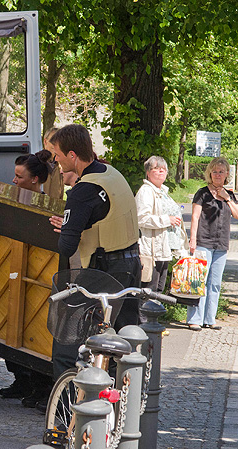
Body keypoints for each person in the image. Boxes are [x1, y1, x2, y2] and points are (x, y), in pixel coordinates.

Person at [47, 124, 141, 379]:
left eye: (57, 153)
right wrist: (76, 222)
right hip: (132, 264)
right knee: (127, 337)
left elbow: (66, 246)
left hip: (105, 271)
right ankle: (127, 402)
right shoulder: (111, 173)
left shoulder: (82, 191)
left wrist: (69, 225)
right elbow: (106, 214)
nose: (55, 159)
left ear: (72, 155)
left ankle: (68, 407)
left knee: (68, 340)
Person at [0, 150, 55, 408]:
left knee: (33, 332)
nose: (14, 180)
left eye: (19, 177)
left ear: (35, 180)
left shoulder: (47, 207)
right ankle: (21, 379)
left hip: (37, 278)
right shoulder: (17, 200)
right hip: (14, 272)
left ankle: (41, 387)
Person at [187, 157, 238, 331]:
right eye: (215, 171)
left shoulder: (229, 194)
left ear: (227, 174)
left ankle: (210, 318)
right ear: (210, 173)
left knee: (215, 283)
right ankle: (195, 319)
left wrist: (227, 198)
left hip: (221, 244)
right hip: (203, 241)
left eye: (221, 171)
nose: (218, 174)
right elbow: (195, 217)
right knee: (199, 281)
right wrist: (192, 240)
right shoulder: (202, 193)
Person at [135, 156, 186, 294]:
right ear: (148, 172)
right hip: (151, 252)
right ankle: (143, 317)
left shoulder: (163, 191)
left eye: (163, 169)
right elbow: (141, 218)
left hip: (164, 251)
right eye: (156, 169)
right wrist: (166, 220)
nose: (161, 171)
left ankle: (153, 316)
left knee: (158, 292)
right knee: (148, 293)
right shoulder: (146, 191)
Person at [41, 128, 64, 199]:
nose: (56, 145)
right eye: (53, 141)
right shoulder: (37, 163)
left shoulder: (60, 167)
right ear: (45, 141)